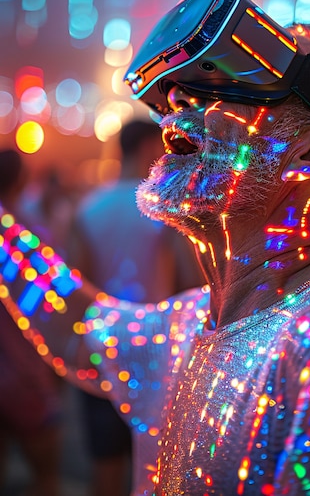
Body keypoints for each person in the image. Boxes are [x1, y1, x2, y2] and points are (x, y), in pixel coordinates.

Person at [1, 0, 310, 496]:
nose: (177, 101)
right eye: (187, 87)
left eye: (237, 81)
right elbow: (75, 325)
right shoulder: (189, 324)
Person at [67, 119, 204, 496]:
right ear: (147, 148)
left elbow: (77, 284)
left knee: (105, 462)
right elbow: (189, 281)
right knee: (159, 464)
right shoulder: (162, 211)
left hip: (103, 345)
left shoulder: (88, 207)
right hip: (156, 348)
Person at [0, 149, 63, 496]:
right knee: (46, 478)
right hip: (25, 373)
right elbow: (53, 307)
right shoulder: (27, 236)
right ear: (21, 178)